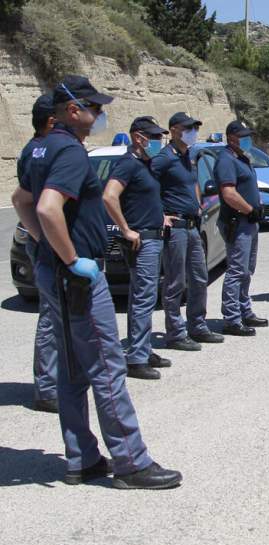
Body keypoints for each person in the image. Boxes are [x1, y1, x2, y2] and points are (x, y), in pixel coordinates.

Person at [11, 75, 181, 489]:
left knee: (72, 370)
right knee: (106, 365)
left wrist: (46, 248)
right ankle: (131, 463)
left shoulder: (36, 148)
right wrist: (72, 258)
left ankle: (82, 457)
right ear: (73, 111)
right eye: (96, 108)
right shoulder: (68, 150)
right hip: (78, 275)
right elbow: (49, 208)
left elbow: (21, 201)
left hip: (55, 273)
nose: (101, 114)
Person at [103, 116, 172, 380]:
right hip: (141, 240)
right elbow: (109, 196)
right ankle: (137, 359)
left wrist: (161, 216)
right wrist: (125, 229)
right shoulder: (127, 164)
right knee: (143, 298)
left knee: (142, 297)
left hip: (153, 235)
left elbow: (146, 198)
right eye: (152, 136)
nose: (156, 141)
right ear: (137, 137)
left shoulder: (145, 164)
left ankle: (141, 348)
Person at [152, 112, 224, 350]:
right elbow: (146, 187)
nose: (192, 132)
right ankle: (175, 332)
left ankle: (197, 325)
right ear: (173, 130)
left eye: (194, 127)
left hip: (193, 225)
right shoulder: (164, 158)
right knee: (175, 282)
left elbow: (192, 183)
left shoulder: (187, 157)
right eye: (188, 128)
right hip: (176, 229)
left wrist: (198, 204)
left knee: (200, 277)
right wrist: (159, 215)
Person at [14, 94, 59, 413]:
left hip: (50, 242)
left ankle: (56, 380)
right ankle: (47, 388)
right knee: (51, 316)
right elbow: (24, 200)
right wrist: (43, 238)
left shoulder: (39, 149)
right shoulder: (37, 152)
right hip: (47, 245)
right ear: (52, 121)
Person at [215, 120, 268, 336]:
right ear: (231, 138)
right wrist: (249, 209)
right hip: (238, 221)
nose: (248, 139)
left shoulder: (241, 158)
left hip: (249, 221)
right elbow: (228, 193)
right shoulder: (226, 160)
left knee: (247, 270)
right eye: (244, 135)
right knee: (237, 271)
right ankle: (231, 318)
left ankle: (244, 310)